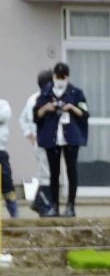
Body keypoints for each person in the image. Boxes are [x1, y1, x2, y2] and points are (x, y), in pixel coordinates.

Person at [33, 62, 89, 218]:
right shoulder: (45, 93)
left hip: (70, 137)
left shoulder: (76, 92)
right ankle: (54, 206)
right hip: (52, 138)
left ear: (67, 76)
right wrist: (46, 108)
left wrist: (71, 107)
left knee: (72, 172)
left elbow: (84, 113)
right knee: (54, 174)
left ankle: (71, 206)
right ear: (53, 77)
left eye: (62, 76)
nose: (59, 79)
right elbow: (36, 115)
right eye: (57, 76)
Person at [20, 70, 53, 214]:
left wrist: (29, 135)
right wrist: (31, 135)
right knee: (47, 174)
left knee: (46, 173)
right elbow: (25, 119)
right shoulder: (40, 100)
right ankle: (44, 206)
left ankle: (39, 202)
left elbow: (22, 119)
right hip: (43, 141)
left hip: (43, 141)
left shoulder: (33, 98)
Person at [0, 96, 15, 218]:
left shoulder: (3, 104)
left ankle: (14, 214)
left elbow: (4, 116)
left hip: (1, 151)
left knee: (7, 183)